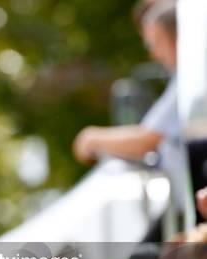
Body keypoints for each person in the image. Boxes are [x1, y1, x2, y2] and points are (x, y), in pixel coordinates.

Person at [73, 1, 186, 208]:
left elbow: (145, 139)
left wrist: (90, 137)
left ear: (179, 38)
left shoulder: (190, 80)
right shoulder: (185, 79)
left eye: (156, 43)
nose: (153, 54)